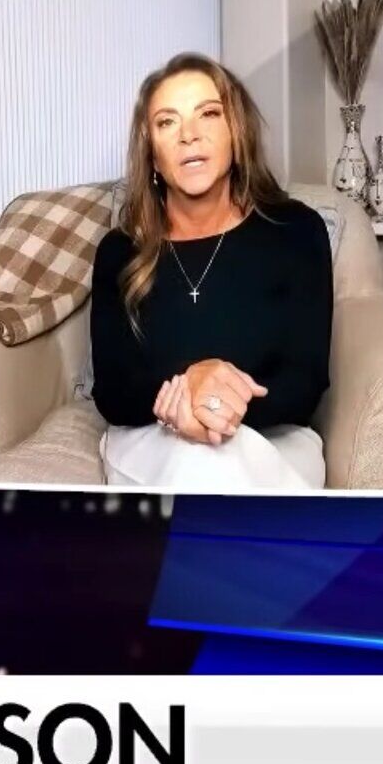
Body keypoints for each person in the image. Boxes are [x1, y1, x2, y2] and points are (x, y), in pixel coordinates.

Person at [90, 53, 333, 490]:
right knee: (201, 471)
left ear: (236, 132)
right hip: (153, 436)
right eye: (167, 122)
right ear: (152, 155)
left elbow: (305, 381)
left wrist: (214, 408)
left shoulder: (297, 231)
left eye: (208, 113)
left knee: (220, 473)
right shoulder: (119, 252)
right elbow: (114, 391)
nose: (189, 135)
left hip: (272, 437)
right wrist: (188, 396)